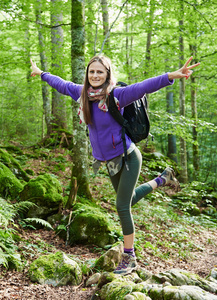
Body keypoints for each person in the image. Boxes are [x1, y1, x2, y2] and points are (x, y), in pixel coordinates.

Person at [30, 55, 200, 275]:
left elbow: (144, 86)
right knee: (127, 200)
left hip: (128, 157)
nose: (95, 75)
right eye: (92, 72)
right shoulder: (82, 94)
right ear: (87, 74)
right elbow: (61, 84)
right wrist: (41, 73)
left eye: (100, 72)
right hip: (109, 162)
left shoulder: (117, 96)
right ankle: (162, 179)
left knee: (122, 206)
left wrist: (171, 76)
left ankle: (129, 257)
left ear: (107, 74)